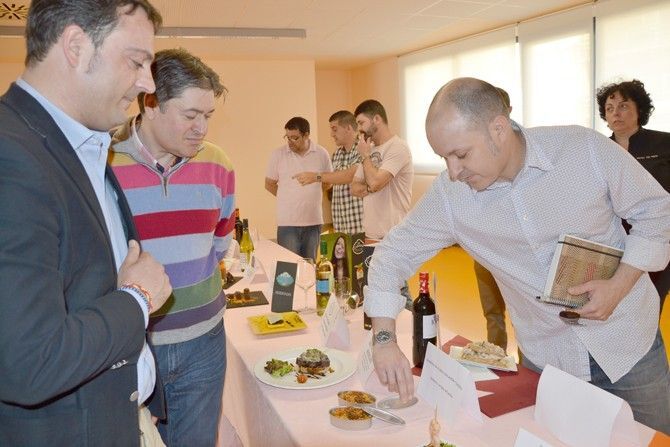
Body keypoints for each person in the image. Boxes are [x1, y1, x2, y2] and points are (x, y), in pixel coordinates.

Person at [366, 77, 670, 433]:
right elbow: (392, 254)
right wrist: (384, 338)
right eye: (443, 158)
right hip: (548, 362)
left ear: (498, 129)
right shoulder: (451, 196)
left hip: (628, 348)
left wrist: (619, 285)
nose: (453, 171)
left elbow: (657, 212)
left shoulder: (582, 150)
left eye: (461, 154)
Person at [0, 1, 173, 446]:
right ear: (76, 46)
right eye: (136, 61)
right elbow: (28, 359)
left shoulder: (80, 144)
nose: (148, 83)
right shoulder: (11, 154)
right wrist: (138, 298)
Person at [109, 48, 234, 446]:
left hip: (205, 343)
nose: (202, 129)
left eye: (208, 116)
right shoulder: (103, 164)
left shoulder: (218, 164)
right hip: (131, 348)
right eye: (190, 115)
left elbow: (220, 244)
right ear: (150, 103)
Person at [596, 79, 670, 309]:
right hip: (613, 241)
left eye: (623, 106)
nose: (615, 113)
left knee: (651, 304)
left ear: (640, 110)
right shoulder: (598, 149)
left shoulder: (664, 143)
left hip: (657, 236)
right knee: (620, 305)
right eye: (610, 108)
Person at [473, 86, 512, 351]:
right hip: (484, 251)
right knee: (492, 312)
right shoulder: (473, 154)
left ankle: (529, 367)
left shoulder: (520, 155)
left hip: (512, 251)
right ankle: (497, 358)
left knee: (525, 316)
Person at [265, 117, 332, 259]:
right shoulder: (278, 154)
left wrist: (311, 194)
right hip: (287, 223)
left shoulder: (321, 153)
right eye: (287, 137)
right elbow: (269, 184)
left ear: (306, 135)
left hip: (313, 221)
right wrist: (288, 197)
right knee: (289, 267)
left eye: (294, 138)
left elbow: (328, 181)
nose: (290, 142)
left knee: (310, 265)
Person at [351, 99, 413, 241]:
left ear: (377, 119)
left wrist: (365, 157)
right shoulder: (369, 150)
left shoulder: (398, 147)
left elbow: (375, 183)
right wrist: (372, 187)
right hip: (370, 233)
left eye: (361, 123)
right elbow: (354, 188)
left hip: (394, 234)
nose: (359, 129)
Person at [294, 110, 364, 234]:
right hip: (341, 226)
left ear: (348, 128)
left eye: (334, 129)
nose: (332, 134)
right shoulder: (337, 154)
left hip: (360, 225)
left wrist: (316, 177)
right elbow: (331, 180)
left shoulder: (364, 148)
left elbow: (350, 175)